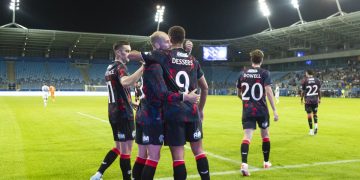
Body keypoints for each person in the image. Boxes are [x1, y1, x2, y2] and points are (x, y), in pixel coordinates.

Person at [129, 27, 210, 180]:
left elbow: (132, 55)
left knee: (178, 158)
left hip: (174, 113)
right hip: (192, 112)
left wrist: (143, 56)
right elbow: (205, 87)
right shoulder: (193, 60)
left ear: (170, 40)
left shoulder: (162, 56)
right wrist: (200, 110)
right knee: (199, 151)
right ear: (184, 39)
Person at [90, 41, 144, 180]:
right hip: (123, 113)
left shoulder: (109, 67)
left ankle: (98, 174)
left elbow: (117, 88)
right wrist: (144, 67)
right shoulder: (121, 66)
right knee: (126, 151)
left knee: (119, 148)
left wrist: (130, 101)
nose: (129, 53)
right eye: (126, 51)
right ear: (118, 52)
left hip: (113, 112)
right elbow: (125, 82)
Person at [237, 49, 279, 176]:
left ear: (251, 60)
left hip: (248, 110)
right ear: (261, 60)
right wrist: (275, 110)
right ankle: (266, 162)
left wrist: (246, 101)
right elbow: (269, 92)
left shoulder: (242, 73)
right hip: (261, 110)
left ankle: (244, 164)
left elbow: (239, 93)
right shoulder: (265, 73)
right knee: (265, 135)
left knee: (247, 137)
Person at [300, 69, 321, 136]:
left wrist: (301, 99)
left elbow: (303, 91)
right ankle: (316, 126)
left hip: (308, 100)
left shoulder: (305, 81)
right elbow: (319, 90)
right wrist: (320, 98)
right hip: (315, 100)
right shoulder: (317, 80)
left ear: (307, 73)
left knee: (309, 115)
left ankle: (311, 131)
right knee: (315, 113)